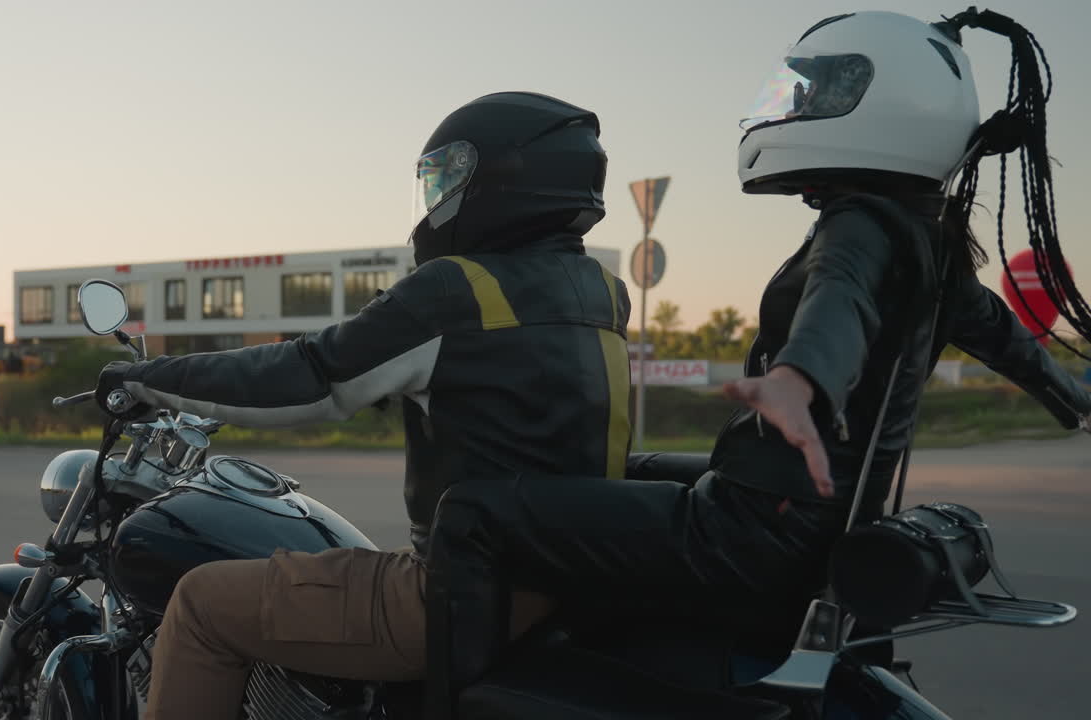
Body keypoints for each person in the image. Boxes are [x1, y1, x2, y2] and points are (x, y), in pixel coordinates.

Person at [421, 9, 1091, 706]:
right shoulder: (929, 239)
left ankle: (446, 705)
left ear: (877, 102)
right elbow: (1007, 338)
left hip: (750, 533)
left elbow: (838, 299)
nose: (792, 106)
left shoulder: (861, 226)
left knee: (469, 513)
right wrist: (1077, 404)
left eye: (815, 90)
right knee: (612, 467)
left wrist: (799, 380)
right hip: (803, 519)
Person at [95, 91, 628, 719]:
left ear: (500, 178)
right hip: (567, 581)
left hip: (458, 593)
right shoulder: (602, 293)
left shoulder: (455, 290)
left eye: (448, 177)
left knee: (200, 603)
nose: (437, 198)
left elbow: (309, 375)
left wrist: (147, 380)